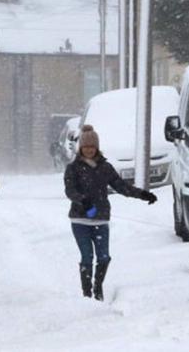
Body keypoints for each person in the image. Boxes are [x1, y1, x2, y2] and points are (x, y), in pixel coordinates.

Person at [64, 126, 157, 301]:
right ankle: (87, 294)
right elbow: (70, 191)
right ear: (81, 148)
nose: (89, 150)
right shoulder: (73, 168)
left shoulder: (105, 167)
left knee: (104, 257)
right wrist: (82, 200)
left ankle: (98, 286)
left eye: (92, 147)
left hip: (101, 219)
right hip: (80, 220)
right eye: (86, 147)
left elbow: (121, 187)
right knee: (87, 257)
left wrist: (143, 194)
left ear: (97, 147)